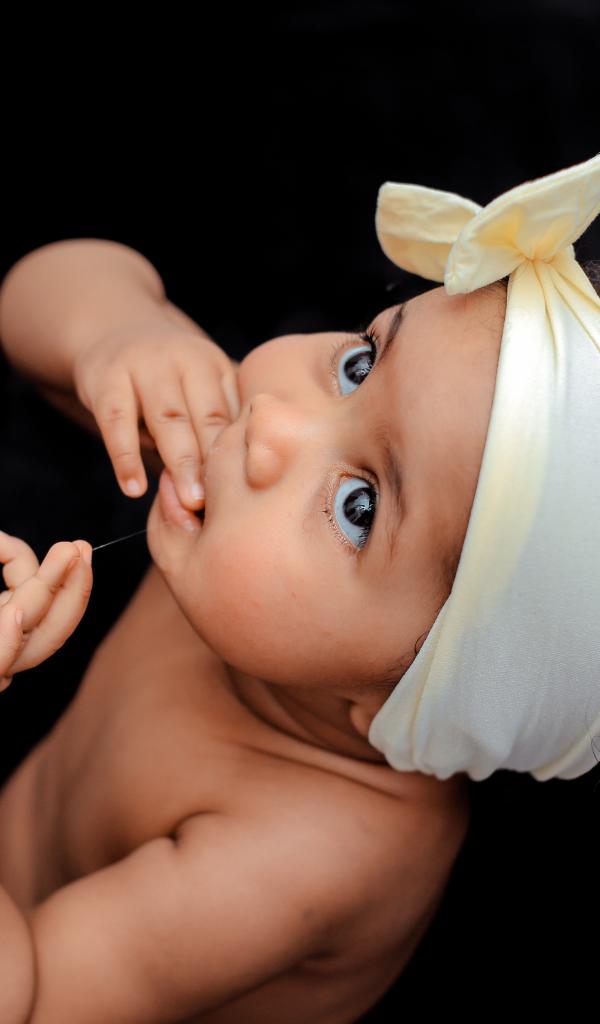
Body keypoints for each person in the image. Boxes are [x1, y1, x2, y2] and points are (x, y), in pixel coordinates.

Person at [0, 153, 596, 1023]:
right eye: (360, 363)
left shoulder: (312, 849)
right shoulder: (243, 542)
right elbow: (36, 289)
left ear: (405, 698)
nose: (272, 422)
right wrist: (118, 333)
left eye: (360, 506)